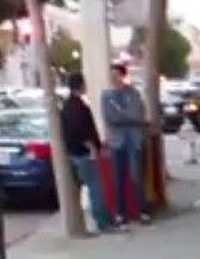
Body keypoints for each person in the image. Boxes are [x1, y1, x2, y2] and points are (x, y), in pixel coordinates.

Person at [59, 72, 112, 232]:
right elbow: (81, 130)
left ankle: (96, 221)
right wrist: (92, 148)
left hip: (73, 152)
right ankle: (102, 222)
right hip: (84, 153)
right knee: (96, 188)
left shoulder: (67, 107)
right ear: (81, 85)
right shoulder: (79, 107)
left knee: (82, 187)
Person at [102, 63, 152, 226]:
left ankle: (143, 211)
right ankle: (120, 213)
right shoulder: (106, 96)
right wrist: (130, 119)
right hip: (117, 142)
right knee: (118, 179)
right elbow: (110, 118)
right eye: (111, 76)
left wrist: (125, 118)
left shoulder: (133, 93)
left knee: (136, 176)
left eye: (116, 75)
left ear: (123, 76)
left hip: (134, 140)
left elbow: (138, 113)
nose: (114, 79)